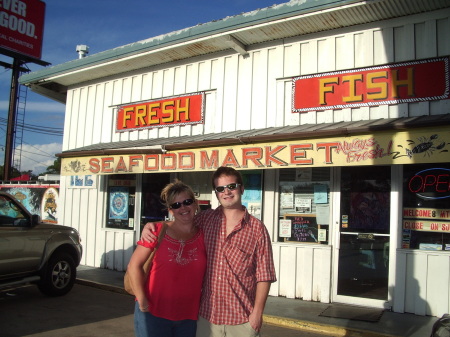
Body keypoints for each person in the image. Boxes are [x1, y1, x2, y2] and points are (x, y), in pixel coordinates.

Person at [142, 167, 276, 337]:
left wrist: (257, 314)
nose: (226, 192)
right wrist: (154, 225)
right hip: (207, 317)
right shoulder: (205, 220)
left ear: (242, 189)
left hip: (242, 318)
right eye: (220, 189)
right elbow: (181, 220)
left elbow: (265, 275)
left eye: (231, 186)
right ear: (216, 193)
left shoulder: (257, 229)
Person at [127, 180, 206, 337]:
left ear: (195, 204)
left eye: (187, 202)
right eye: (176, 205)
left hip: (188, 316)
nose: (183, 208)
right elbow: (133, 266)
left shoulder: (204, 235)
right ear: (170, 210)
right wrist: (142, 299)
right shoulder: (156, 231)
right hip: (153, 312)